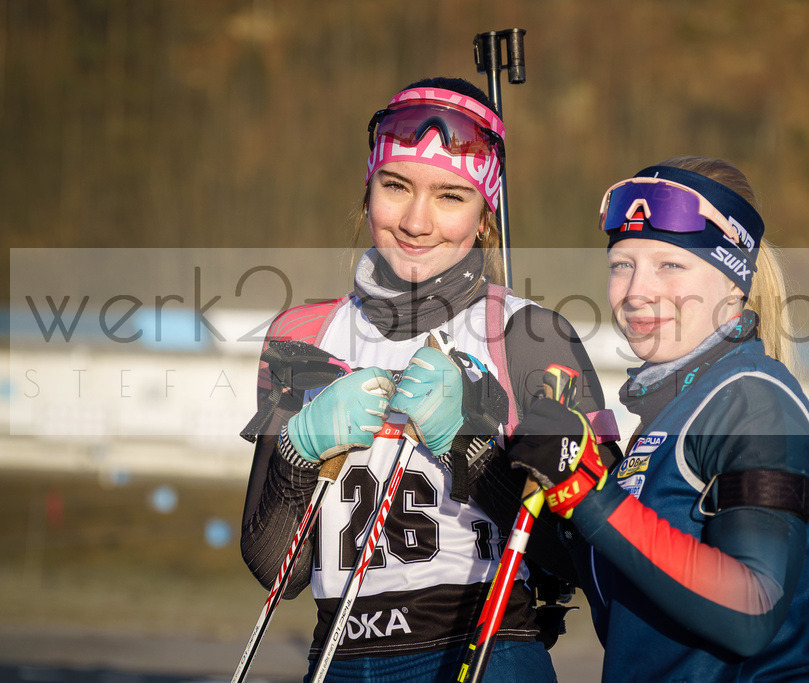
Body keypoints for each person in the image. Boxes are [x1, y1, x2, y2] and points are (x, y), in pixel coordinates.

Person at [238, 76, 616, 682]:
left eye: (450, 196)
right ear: (367, 192)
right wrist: (296, 451)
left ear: (485, 215)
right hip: (338, 656)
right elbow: (275, 570)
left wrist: (467, 443)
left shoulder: (530, 336)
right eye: (396, 186)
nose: (417, 221)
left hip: (486, 650)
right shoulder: (301, 334)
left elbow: (586, 555)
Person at [508, 156, 809, 681]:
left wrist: (589, 494)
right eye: (623, 264)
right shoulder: (673, 410)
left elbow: (751, 610)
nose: (637, 291)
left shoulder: (753, 401)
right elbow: (641, 617)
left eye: (670, 264)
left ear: (735, 282)